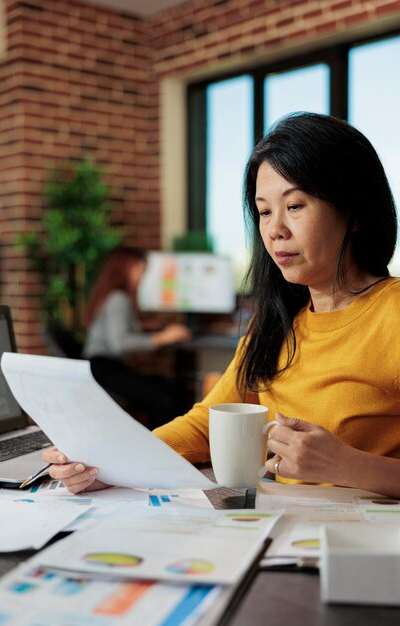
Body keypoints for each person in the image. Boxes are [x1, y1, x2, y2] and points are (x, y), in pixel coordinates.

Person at [44, 112, 400, 497]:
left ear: (357, 213)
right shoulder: (276, 322)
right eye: (264, 211)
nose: (275, 229)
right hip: (284, 532)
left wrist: (350, 466)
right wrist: (110, 466)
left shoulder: (391, 314)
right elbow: (206, 423)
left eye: (295, 206)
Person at [82, 245, 191, 427]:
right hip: (105, 370)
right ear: (126, 268)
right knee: (165, 400)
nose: (142, 278)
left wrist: (142, 327)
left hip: (100, 367)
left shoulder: (109, 295)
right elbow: (120, 343)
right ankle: (159, 447)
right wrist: (164, 337)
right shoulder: (119, 299)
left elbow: (114, 330)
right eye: (140, 270)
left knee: (166, 387)